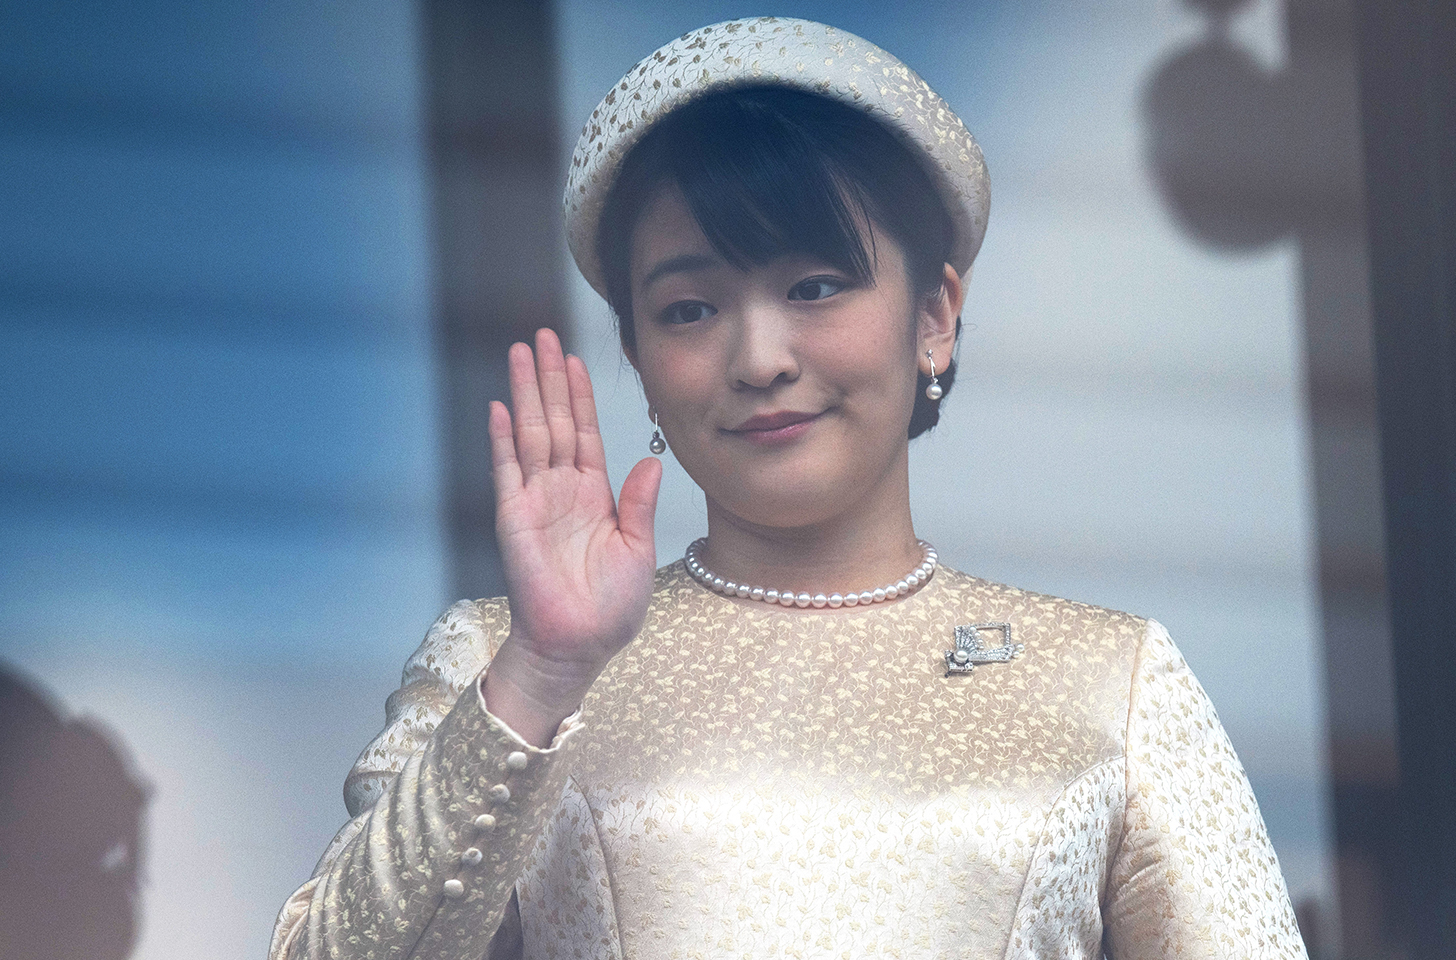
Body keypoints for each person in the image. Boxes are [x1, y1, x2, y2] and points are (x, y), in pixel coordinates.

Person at [269, 17, 1307, 960]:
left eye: (814, 286)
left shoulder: (1113, 681)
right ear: (634, 352)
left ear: (935, 313)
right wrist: (545, 670)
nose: (759, 355)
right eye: (689, 309)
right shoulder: (507, 659)